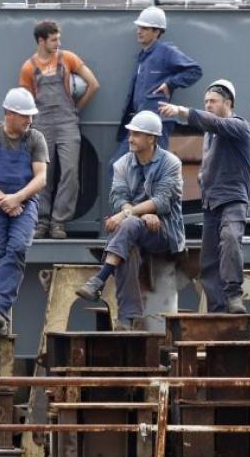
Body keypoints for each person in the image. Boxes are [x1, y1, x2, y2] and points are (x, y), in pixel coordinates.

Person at [76, 111, 184, 330]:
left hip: (163, 230)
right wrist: (136, 214)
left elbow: (162, 201)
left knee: (127, 225)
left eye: (136, 134)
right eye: (130, 133)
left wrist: (127, 214)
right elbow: (118, 197)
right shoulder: (122, 164)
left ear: (151, 138)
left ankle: (100, 279)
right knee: (129, 243)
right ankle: (127, 320)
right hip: (133, 229)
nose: (130, 138)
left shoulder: (170, 163)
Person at [159, 79, 250, 313]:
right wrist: (203, 177)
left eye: (213, 101)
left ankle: (233, 295)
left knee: (231, 238)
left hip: (233, 199)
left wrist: (182, 112)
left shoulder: (239, 126)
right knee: (208, 259)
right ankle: (217, 309)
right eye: (205, 102)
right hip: (211, 201)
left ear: (228, 103)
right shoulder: (210, 135)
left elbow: (215, 123)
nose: (208, 105)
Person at [0, 88, 49, 334]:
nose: (30, 120)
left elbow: (41, 178)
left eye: (31, 115)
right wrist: (3, 199)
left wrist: (17, 198)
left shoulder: (35, 138)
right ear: (9, 113)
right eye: (25, 115)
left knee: (17, 248)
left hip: (25, 202)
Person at [19, 20, 99, 239]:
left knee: (70, 173)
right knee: (43, 173)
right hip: (41, 124)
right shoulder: (28, 68)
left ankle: (59, 223)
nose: (58, 43)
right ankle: (41, 221)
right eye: (54, 40)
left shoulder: (68, 58)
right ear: (41, 41)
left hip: (67, 123)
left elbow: (93, 84)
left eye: (58, 39)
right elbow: (26, 102)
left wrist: (75, 110)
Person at [111, 6, 202, 165]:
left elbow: (194, 70)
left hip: (157, 122)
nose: (139, 31)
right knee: (119, 166)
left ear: (157, 31)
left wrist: (170, 83)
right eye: (139, 27)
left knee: (152, 167)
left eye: (145, 28)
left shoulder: (166, 51)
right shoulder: (143, 56)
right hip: (140, 122)